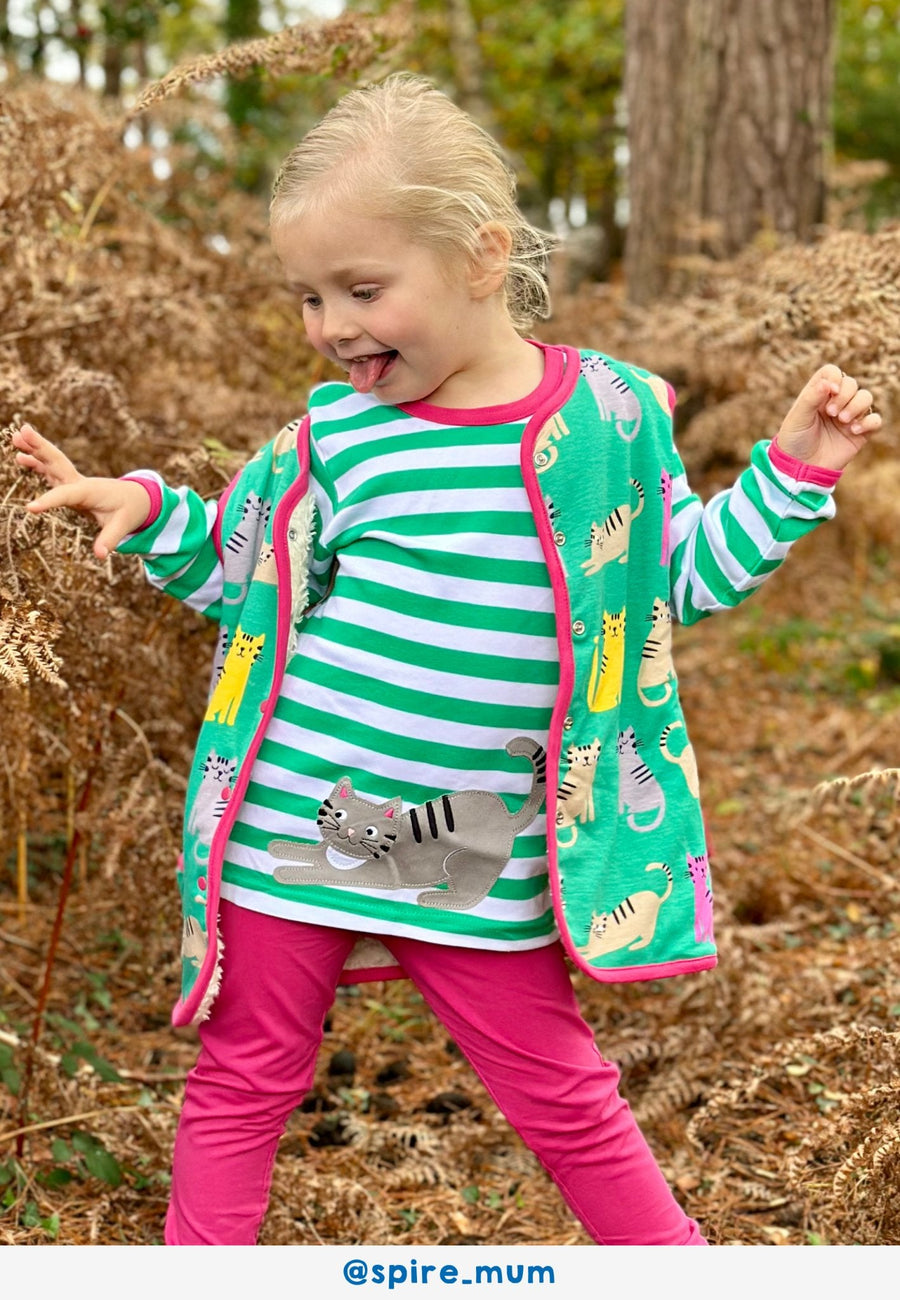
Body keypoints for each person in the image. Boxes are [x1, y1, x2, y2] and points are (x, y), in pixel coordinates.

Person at [13, 73, 880, 1248]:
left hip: (483, 846)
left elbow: (674, 580)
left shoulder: (611, 421)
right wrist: (149, 509)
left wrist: (789, 474)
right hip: (294, 827)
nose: (332, 327)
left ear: (480, 257)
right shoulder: (335, 435)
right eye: (310, 297)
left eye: (363, 289)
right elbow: (240, 570)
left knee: (566, 1099)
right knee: (243, 1079)